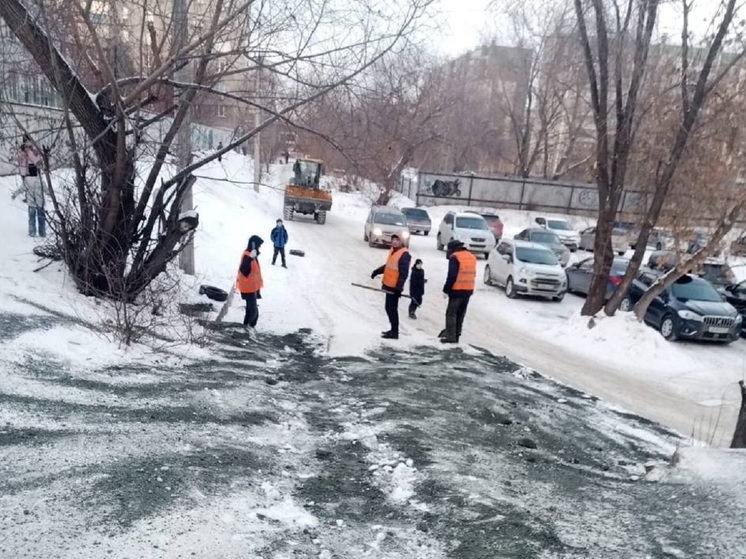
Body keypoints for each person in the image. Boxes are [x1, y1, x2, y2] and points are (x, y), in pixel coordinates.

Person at [371, 234, 411, 339]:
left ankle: (395, 332)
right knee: (389, 308)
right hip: (389, 285)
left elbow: (404, 273)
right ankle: (393, 330)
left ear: (401, 241)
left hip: (395, 287)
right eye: (393, 240)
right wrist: (377, 271)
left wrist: (399, 287)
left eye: (397, 240)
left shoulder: (404, 254)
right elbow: (388, 266)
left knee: (392, 309)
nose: (394, 242)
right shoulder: (393, 251)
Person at [439, 240, 477, 344]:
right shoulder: (471, 256)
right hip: (468, 290)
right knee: (461, 314)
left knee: (451, 314)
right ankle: (457, 335)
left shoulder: (455, 257)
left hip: (457, 290)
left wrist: (446, 289)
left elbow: (452, 275)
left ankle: (451, 337)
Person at [11, 137, 45, 238]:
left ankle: (34, 232)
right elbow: (17, 158)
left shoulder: (32, 149)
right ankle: (39, 233)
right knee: (39, 215)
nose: (26, 144)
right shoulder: (21, 150)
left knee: (34, 216)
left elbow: (37, 158)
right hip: (25, 171)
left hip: (29, 171)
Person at [236, 235, 264, 333]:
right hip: (248, 288)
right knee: (253, 312)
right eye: (259, 245)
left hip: (252, 288)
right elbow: (243, 270)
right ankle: (249, 328)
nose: (259, 248)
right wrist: (250, 258)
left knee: (250, 311)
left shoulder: (252, 255)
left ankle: (246, 327)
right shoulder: (248, 255)